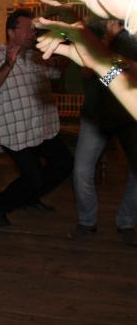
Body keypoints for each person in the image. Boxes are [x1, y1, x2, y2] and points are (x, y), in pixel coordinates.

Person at [0, 9, 73, 226]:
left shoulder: (35, 56)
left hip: (41, 127)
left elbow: (56, 73)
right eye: (28, 28)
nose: (33, 33)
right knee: (33, 177)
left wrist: (69, 51)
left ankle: (30, 198)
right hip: (16, 130)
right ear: (11, 32)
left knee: (65, 163)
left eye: (34, 29)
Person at [32, 0, 137, 119]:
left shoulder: (125, 31)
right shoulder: (103, 26)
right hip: (100, 111)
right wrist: (102, 60)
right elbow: (116, 69)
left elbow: (126, 67)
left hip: (115, 115)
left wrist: (132, 9)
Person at [65, 20, 137, 245]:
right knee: (81, 170)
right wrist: (109, 48)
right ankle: (87, 221)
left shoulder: (133, 34)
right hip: (95, 117)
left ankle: (127, 221)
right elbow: (90, 73)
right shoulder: (95, 31)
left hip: (128, 118)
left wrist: (120, 63)